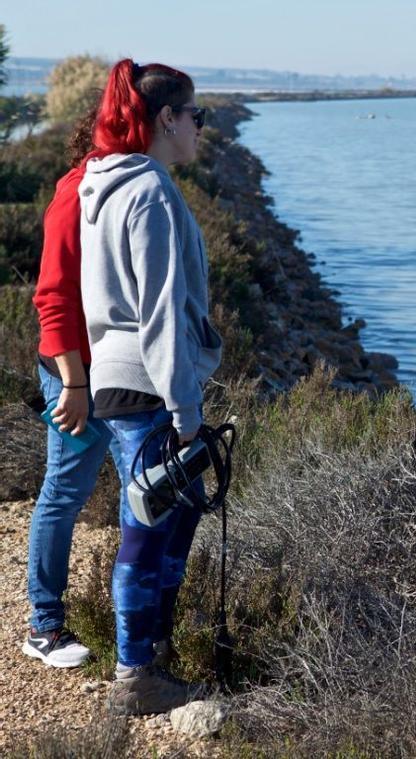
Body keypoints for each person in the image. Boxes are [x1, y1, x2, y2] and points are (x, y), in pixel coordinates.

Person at [79, 58, 220, 715]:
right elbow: (160, 308)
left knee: (177, 507)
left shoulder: (102, 185)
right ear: (167, 118)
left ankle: (153, 652)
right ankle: (136, 677)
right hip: (147, 384)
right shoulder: (151, 191)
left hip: (116, 377)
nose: (200, 128)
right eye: (196, 116)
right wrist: (186, 408)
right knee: (146, 527)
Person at [23, 109, 123, 669]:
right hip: (78, 376)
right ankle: (44, 627)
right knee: (63, 492)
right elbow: (52, 298)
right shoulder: (75, 193)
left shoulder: (125, 186)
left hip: (115, 372)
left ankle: (138, 624)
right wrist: (74, 382)